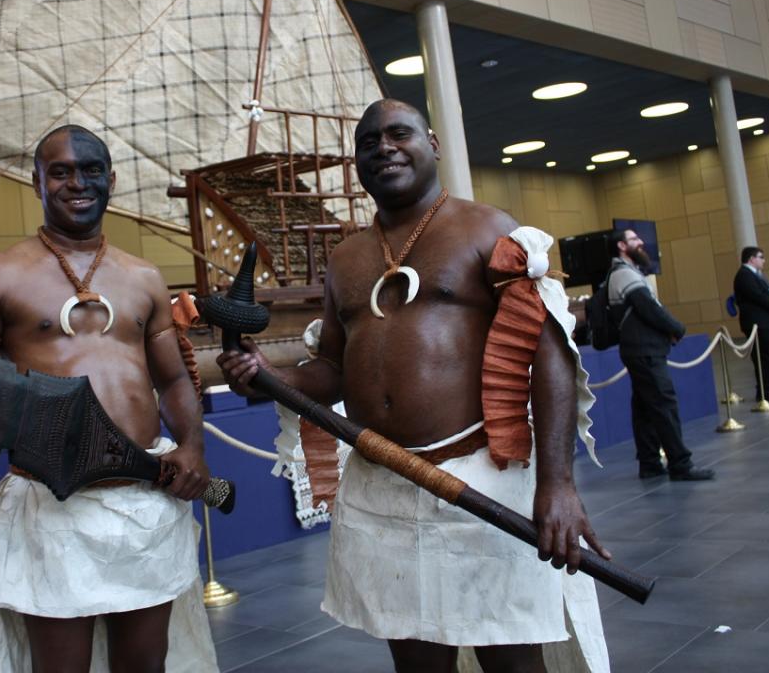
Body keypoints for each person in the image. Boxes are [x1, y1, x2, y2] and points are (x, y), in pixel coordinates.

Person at [219, 99, 611, 673]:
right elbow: (329, 368)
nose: (384, 147)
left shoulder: (488, 229)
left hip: (482, 478)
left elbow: (547, 354)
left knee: (511, 654)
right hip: (384, 486)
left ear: (432, 143)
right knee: (416, 657)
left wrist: (557, 485)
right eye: (368, 141)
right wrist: (267, 379)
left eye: (399, 133)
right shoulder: (348, 257)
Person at [0, 125, 218, 672]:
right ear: (36, 181)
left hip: (143, 497)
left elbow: (175, 380)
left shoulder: (144, 277)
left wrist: (192, 446)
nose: (77, 183)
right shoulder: (2, 272)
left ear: (110, 179)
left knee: (144, 665)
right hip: (51, 503)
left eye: (90, 170)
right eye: (60, 171)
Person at [606, 229, 714, 481]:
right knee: (664, 406)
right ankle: (680, 464)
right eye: (634, 239)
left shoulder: (627, 272)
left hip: (641, 349)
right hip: (644, 351)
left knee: (645, 408)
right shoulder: (623, 273)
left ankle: (650, 463)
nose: (641, 242)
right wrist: (677, 328)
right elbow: (648, 308)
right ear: (622, 246)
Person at [734, 247, 769, 402]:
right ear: (751, 259)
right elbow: (759, 297)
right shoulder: (744, 275)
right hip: (758, 323)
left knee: (767, 356)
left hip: (764, 321)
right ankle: (766, 391)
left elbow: (766, 294)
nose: (764, 260)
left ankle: (766, 390)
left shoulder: (754, 275)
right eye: (761, 257)